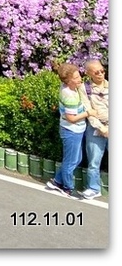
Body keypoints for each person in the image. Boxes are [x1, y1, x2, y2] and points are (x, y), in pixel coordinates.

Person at [45, 62, 89, 199]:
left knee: (76, 159)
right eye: (75, 78)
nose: (79, 79)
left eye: (79, 75)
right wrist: (89, 113)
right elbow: (71, 118)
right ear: (67, 81)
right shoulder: (69, 94)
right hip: (71, 131)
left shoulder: (70, 88)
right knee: (70, 162)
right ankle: (67, 188)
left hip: (77, 130)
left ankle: (57, 181)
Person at [79, 59, 108, 200]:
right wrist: (102, 128)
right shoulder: (85, 88)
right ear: (88, 73)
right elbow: (88, 110)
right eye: (97, 72)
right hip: (96, 128)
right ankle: (93, 188)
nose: (101, 74)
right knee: (94, 161)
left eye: (102, 70)